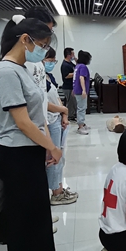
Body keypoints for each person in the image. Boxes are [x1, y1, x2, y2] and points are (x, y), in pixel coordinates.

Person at [0, 16, 64, 251]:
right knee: (23, 218)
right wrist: (52, 147)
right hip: (17, 154)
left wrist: (45, 145)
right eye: (41, 45)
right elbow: (22, 122)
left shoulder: (20, 69)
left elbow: (37, 113)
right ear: (25, 39)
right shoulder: (6, 72)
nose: (43, 51)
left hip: (30, 150)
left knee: (37, 213)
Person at [39, 48, 79, 206]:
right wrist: (63, 110)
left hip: (56, 118)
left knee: (59, 157)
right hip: (49, 121)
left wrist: (64, 114)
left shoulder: (48, 76)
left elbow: (56, 97)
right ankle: (56, 193)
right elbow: (43, 103)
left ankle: (60, 188)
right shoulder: (37, 77)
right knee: (54, 158)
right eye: (49, 60)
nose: (51, 64)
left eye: (53, 61)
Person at [73, 50, 92, 135]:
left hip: (77, 90)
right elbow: (81, 78)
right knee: (81, 108)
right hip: (81, 91)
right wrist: (84, 90)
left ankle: (82, 124)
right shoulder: (83, 67)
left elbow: (75, 78)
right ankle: (80, 126)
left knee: (82, 107)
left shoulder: (78, 66)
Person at [60, 47, 77, 121]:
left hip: (72, 86)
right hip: (68, 87)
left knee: (73, 102)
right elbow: (66, 75)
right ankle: (70, 116)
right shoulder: (65, 65)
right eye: (73, 54)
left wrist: (76, 61)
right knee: (70, 103)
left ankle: (73, 115)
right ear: (68, 55)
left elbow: (76, 68)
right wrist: (75, 73)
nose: (74, 55)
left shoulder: (70, 63)